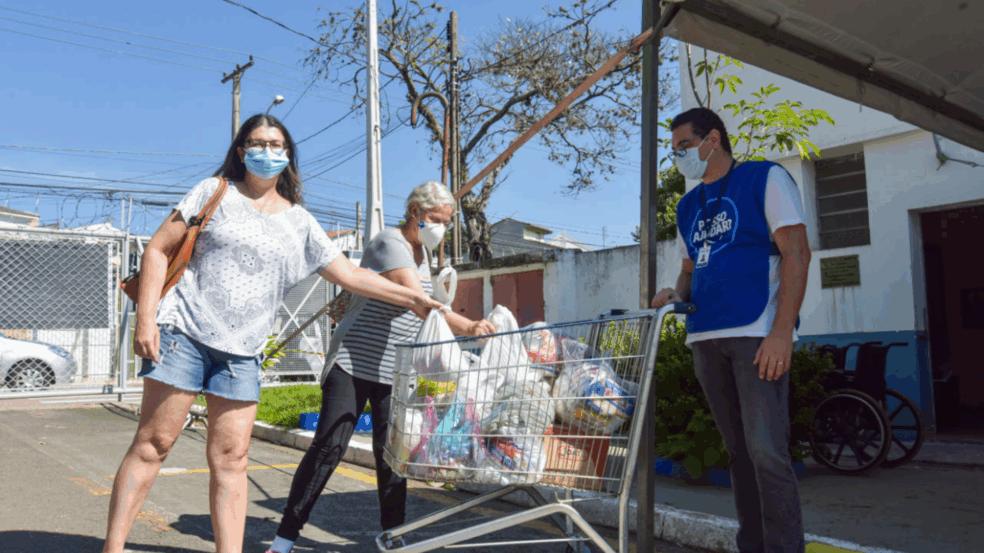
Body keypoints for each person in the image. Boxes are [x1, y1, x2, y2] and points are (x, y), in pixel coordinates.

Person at [102, 114, 443, 553]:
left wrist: (413, 299)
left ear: (288, 154)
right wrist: (146, 318)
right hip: (184, 334)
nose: (267, 151)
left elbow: (350, 274)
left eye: (276, 144)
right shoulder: (214, 191)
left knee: (232, 459)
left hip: (243, 352)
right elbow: (156, 249)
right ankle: (113, 548)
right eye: (258, 143)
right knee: (154, 444)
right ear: (241, 151)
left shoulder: (299, 221)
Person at [265, 181, 496, 553]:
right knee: (329, 447)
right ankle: (283, 539)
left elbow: (427, 310)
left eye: (447, 222)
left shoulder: (424, 256)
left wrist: (464, 330)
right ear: (415, 212)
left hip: (394, 369)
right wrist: (468, 327)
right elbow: (417, 301)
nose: (442, 228)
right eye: (437, 219)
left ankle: (393, 537)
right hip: (354, 360)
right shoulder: (390, 243)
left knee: (393, 455)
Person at [651, 107, 812, 553]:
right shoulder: (688, 205)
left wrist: (781, 332)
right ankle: (752, 545)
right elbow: (690, 269)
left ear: (713, 140)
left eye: (684, 146)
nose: (678, 156)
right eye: (674, 149)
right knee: (739, 454)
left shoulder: (764, 178)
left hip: (757, 332)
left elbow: (797, 253)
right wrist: (674, 293)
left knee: (767, 453)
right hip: (705, 337)